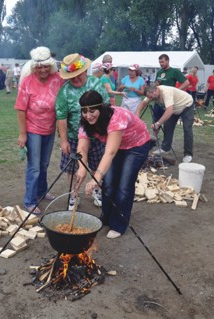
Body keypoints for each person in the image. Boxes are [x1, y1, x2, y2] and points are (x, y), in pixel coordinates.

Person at [76, 90, 151, 239]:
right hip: (117, 146)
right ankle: (107, 217)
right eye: (84, 111)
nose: (88, 115)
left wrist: (96, 176)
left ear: (101, 108)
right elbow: (82, 148)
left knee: (124, 185)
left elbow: (110, 152)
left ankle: (119, 225)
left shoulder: (116, 118)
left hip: (137, 146)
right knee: (109, 183)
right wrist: (81, 170)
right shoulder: (85, 121)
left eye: (92, 111)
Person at [55, 53, 110, 209]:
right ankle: (74, 194)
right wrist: (64, 140)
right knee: (73, 169)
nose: (76, 79)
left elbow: (106, 108)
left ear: (84, 71)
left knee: (97, 165)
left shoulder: (96, 84)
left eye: (78, 75)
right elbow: (62, 118)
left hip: (97, 135)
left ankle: (97, 189)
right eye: (72, 77)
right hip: (74, 137)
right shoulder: (64, 92)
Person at [15, 46, 64, 214]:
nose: (43, 70)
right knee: (34, 166)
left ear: (50, 65)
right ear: (34, 67)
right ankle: (30, 200)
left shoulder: (57, 79)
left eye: (46, 66)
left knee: (44, 164)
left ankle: (42, 191)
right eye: (39, 67)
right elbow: (20, 109)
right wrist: (23, 134)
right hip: (33, 129)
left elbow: (64, 98)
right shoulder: (27, 82)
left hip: (49, 128)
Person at [136, 83, 194, 163]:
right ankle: (165, 148)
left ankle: (188, 154)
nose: (151, 99)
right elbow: (142, 104)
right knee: (168, 126)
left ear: (156, 90)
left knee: (187, 129)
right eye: (149, 97)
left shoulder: (166, 92)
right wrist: (137, 117)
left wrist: (157, 123)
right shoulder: (151, 93)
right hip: (174, 108)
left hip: (186, 105)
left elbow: (169, 111)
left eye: (151, 97)